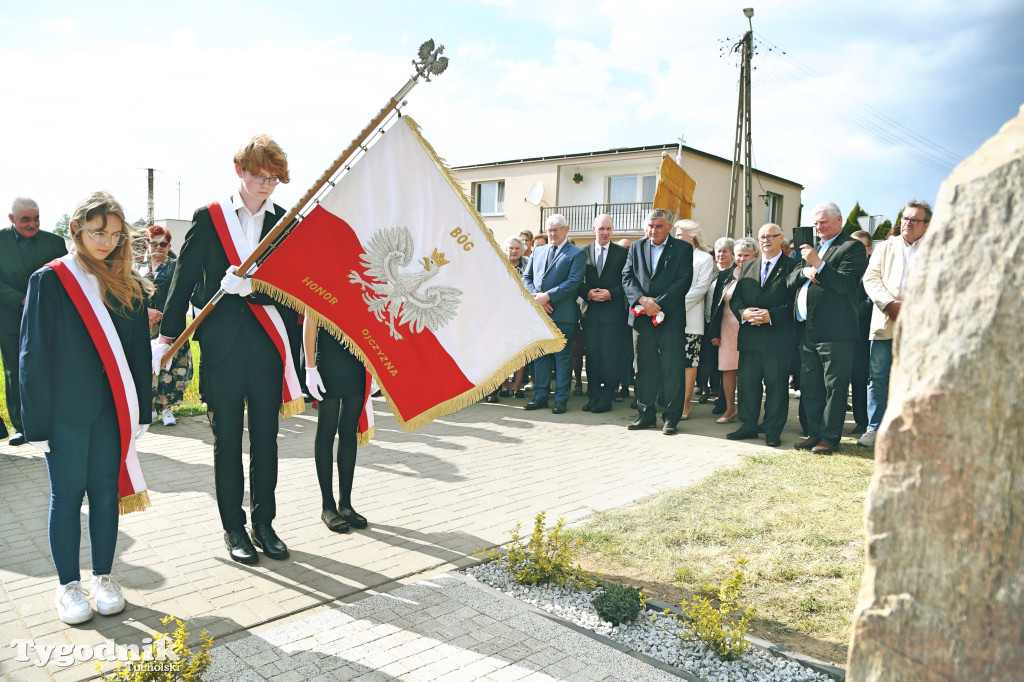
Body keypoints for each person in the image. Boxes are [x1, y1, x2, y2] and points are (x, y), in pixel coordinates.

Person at [156, 134, 303, 564]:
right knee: (225, 441)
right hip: (220, 346)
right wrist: (167, 336)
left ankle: (264, 524)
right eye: (260, 176)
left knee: (267, 440)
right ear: (240, 171)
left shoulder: (284, 222)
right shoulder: (210, 217)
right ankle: (233, 528)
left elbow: (292, 287)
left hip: (266, 345)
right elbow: (183, 279)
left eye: (274, 179)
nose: (267, 185)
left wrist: (255, 287)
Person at [19, 191, 152, 624]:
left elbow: (136, 356)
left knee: (105, 496)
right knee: (67, 497)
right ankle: (67, 586)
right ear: (75, 229)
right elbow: (33, 356)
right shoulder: (51, 279)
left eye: (115, 235)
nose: (106, 242)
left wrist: (143, 412)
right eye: (98, 232)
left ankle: (104, 578)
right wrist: (34, 423)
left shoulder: (126, 282)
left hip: (114, 412)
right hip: (64, 414)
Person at [787, 202, 869, 454]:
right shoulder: (810, 249)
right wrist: (806, 270)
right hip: (807, 329)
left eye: (823, 222)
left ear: (839, 220)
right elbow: (790, 280)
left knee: (834, 386)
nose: (818, 227)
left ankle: (830, 437)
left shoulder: (851, 247)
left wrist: (819, 264)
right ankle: (814, 433)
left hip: (835, 331)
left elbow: (846, 284)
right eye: (815, 223)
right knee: (811, 385)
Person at [859, 200, 931, 447]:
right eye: (905, 218)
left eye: (914, 220)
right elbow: (871, 278)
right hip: (885, 321)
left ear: (926, 225)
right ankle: (874, 429)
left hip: (919, 325)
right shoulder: (885, 247)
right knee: (878, 376)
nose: (907, 223)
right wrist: (889, 304)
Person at [0, 198, 68, 445]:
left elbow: (65, 278)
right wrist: (21, 300)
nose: (32, 224)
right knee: (15, 371)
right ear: (11, 219)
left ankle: (52, 421)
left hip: (47, 318)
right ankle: (22, 427)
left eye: (36, 218)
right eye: (25, 219)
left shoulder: (55, 243)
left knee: (49, 368)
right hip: (9, 320)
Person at [622, 208, 693, 434]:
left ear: (669, 227)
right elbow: (627, 276)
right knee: (643, 368)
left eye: (659, 226)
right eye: (651, 226)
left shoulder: (682, 248)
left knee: (672, 369)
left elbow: (683, 281)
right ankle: (646, 415)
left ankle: (671, 418)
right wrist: (642, 300)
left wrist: (658, 303)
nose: (654, 230)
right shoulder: (636, 247)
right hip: (642, 320)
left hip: (670, 319)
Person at [726, 224, 796, 447]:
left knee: (776, 387)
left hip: (776, 337)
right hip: (750, 336)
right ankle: (748, 425)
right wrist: (744, 313)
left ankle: (772, 430)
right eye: (762, 237)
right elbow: (736, 299)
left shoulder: (793, 266)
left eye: (770, 236)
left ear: (781, 239)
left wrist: (771, 315)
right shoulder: (747, 266)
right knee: (747, 384)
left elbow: (795, 303)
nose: (766, 240)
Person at [303, 318, 370, 532]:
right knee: (327, 430)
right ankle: (327, 506)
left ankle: (346, 504)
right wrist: (310, 367)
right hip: (329, 360)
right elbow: (310, 319)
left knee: (349, 432)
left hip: (358, 361)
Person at [522, 214, 586, 414]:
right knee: (540, 356)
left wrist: (547, 297)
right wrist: (537, 299)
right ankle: (540, 397)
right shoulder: (538, 252)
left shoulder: (576, 253)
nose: (552, 234)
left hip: (562, 314)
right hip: (540, 313)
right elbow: (527, 277)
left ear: (565, 230)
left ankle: (560, 399)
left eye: (556, 230)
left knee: (562, 358)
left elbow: (574, 281)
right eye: (549, 230)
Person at [140, 226, 192, 426]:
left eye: (163, 244)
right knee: (149, 367)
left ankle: (167, 408)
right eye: (154, 244)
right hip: (145, 328)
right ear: (147, 244)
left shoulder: (176, 266)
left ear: (169, 246)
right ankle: (150, 408)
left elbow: (181, 296)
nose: (158, 248)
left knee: (171, 367)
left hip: (171, 327)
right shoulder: (138, 268)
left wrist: (165, 316)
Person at [578, 214, 628, 413]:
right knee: (591, 356)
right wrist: (587, 293)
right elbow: (576, 281)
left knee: (610, 357)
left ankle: (607, 396)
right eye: (601, 229)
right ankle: (593, 395)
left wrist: (611, 294)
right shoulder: (582, 253)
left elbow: (627, 282)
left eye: (608, 229)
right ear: (594, 229)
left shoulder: (622, 254)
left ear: (613, 230)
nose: (605, 232)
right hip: (590, 314)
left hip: (613, 315)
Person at [709, 238, 757, 424]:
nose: (742, 259)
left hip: (750, 328)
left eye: (747, 255)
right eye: (739, 255)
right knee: (727, 369)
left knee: (748, 372)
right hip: (727, 326)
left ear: (754, 256)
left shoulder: (759, 274)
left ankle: (748, 412)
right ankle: (730, 408)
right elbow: (716, 305)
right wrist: (714, 333)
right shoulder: (726, 275)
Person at [673, 220, 714, 420]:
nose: (676, 238)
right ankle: (672, 400)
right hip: (669, 318)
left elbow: (700, 288)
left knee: (689, 362)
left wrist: (675, 305)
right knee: (672, 362)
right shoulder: (672, 255)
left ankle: (686, 403)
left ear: (691, 236)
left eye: (680, 235)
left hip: (690, 318)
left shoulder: (704, 258)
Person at [488, 237, 530, 402]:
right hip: (502, 314)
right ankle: (504, 386)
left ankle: (517, 387)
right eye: (511, 248)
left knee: (520, 351)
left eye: (517, 248)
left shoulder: (527, 265)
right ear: (507, 249)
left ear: (523, 250)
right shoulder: (498, 265)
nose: (514, 251)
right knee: (502, 351)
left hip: (522, 314)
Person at [701, 237, 735, 413]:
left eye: (725, 251)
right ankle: (706, 390)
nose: (721, 254)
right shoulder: (711, 271)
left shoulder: (735, 272)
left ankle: (723, 398)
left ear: (732, 253)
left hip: (724, 325)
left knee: (723, 364)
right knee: (707, 362)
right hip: (706, 322)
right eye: (718, 251)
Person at [849, 230, 874, 435]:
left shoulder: (874, 269)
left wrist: (846, 313)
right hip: (840, 333)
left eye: (860, 247)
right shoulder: (844, 266)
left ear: (869, 249)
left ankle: (862, 420)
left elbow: (870, 303)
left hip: (862, 333)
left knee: (860, 377)